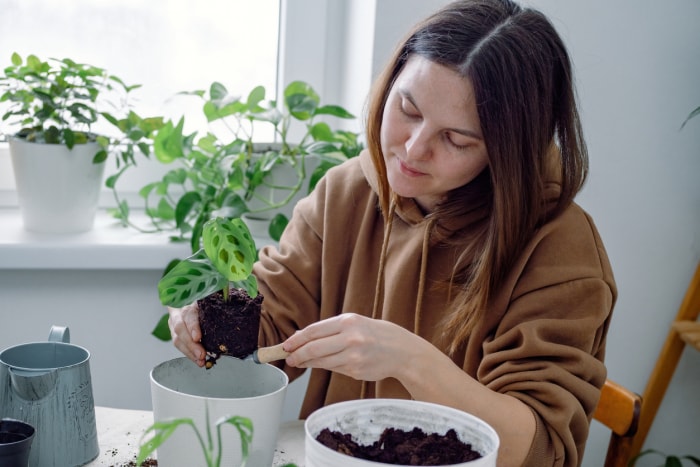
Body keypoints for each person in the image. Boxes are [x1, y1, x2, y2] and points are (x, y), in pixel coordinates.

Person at [168, 0, 616, 465]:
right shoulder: (346, 192)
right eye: (407, 108)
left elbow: (539, 450)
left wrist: (409, 360)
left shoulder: (558, 248)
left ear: (508, 150)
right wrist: (207, 322)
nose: (414, 149)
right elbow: (272, 323)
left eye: (457, 139)